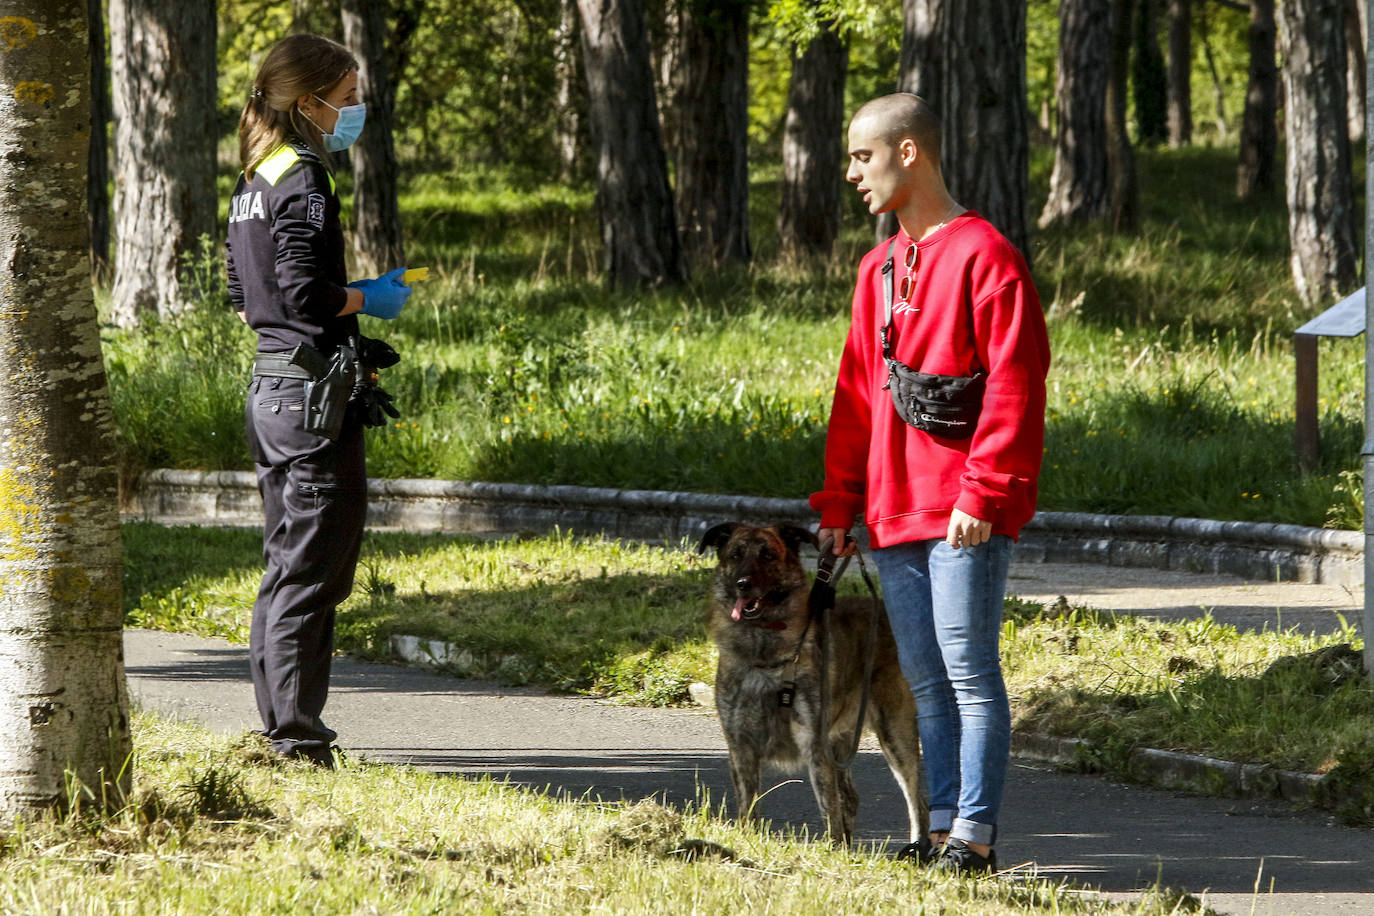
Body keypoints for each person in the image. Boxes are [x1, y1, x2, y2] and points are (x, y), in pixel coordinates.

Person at [811, 93, 1050, 873]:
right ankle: (940, 828)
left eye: (861, 156)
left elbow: (1017, 382)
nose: (851, 173)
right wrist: (841, 504)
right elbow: (856, 396)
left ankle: (976, 837)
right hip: (892, 510)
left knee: (970, 671)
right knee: (922, 677)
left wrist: (985, 491)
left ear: (908, 153)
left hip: (963, 511)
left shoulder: (986, 253)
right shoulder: (876, 268)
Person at [226, 34, 412, 767]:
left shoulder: (253, 177)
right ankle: (296, 744)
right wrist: (372, 296)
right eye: (349, 97)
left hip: (274, 386)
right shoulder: (302, 178)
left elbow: (246, 302)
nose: (357, 110)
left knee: (292, 564)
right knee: (313, 569)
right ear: (309, 103)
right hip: (308, 401)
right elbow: (303, 292)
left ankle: (283, 729)